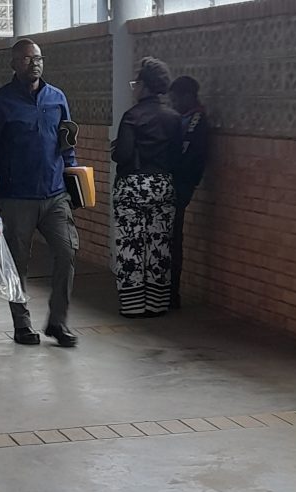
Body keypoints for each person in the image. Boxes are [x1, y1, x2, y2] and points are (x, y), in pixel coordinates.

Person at [0, 38, 79, 348]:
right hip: (17, 198)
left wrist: (73, 183)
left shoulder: (57, 98)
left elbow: (67, 145)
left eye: (38, 58)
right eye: (27, 59)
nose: (34, 63)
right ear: (14, 64)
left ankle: (58, 322)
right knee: (18, 263)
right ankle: (22, 324)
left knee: (67, 252)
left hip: (55, 196)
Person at [111, 57, 181, 318]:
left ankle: (133, 305)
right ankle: (156, 303)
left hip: (133, 187)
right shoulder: (174, 118)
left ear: (144, 85)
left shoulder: (132, 116)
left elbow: (123, 154)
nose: (134, 88)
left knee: (130, 244)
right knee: (159, 245)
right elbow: (176, 156)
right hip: (163, 186)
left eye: (136, 84)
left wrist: (115, 150)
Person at [168, 76, 208, 310]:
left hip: (180, 186)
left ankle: (172, 293)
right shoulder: (183, 118)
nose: (174, 104)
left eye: (176, 99)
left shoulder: (196, 121)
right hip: (175, 184)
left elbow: (189, 156)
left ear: (188, 96)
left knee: (173, 240)